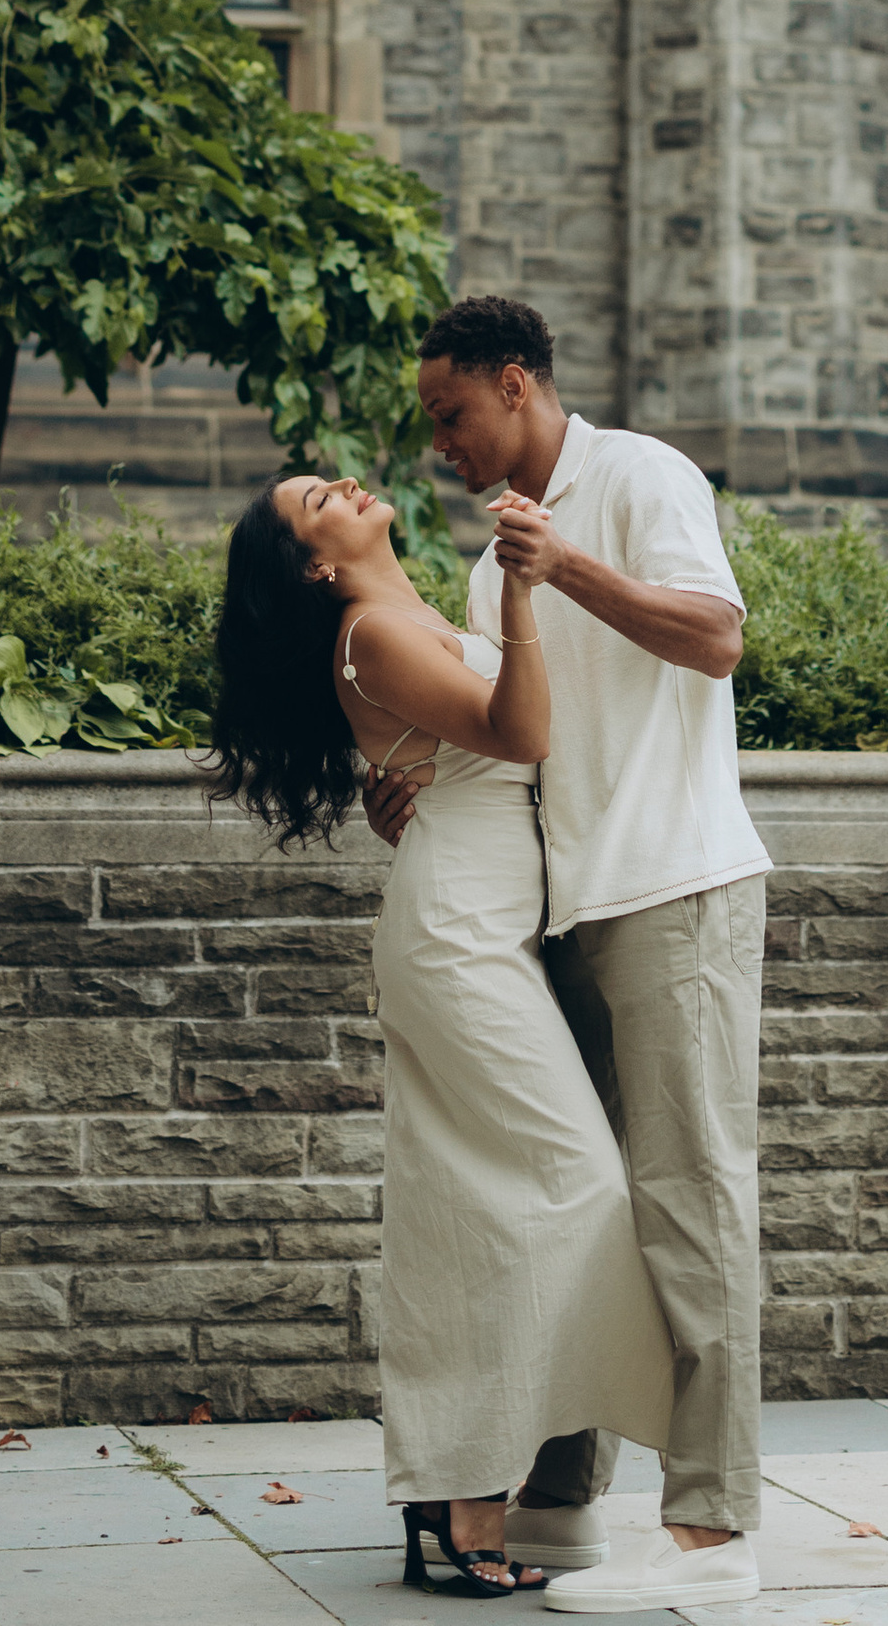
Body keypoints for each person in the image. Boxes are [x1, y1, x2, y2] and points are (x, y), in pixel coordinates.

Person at [366, 297, 770, 1619]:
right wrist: (412, 781)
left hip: (675, 887)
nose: (443, 447)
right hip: (561, 911)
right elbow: (518, 738)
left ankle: (716, 1534)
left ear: (519, 384)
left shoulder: (642, 475)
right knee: (573, 1205)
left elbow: (717, 638)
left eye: (454, 417)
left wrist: (563, 567)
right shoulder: (489, 565)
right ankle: (561, 1507)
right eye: (434, 427)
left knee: (689, 1204)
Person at [208, 463, 673, 1598]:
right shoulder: (370, 630)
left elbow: (452, 762)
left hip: (487, 924)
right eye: (322, 500)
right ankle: (470, 1492)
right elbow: (517, 733)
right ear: (317, 565)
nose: (351, 484)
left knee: (482, 1208)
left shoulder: (412, 617)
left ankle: (460, 1484)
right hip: (459, 942)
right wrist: (523, 595)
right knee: (578, 1187)